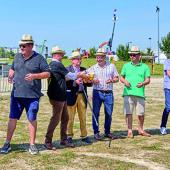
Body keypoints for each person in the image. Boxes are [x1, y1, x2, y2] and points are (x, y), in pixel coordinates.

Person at [0, 34, 50, 154]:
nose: (21, 48)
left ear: (30, 46)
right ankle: (7, 143)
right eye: (20, 45)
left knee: (32, 118)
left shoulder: (39, 58)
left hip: (32, 96)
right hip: (16, 94)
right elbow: (13, 68)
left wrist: (35, 76)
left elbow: (48, 73)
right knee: (12, 118)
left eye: (23, 45)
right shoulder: (17, 57)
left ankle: (32, 145)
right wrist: (11, 74)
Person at [44, 46, 87, 150]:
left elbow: (65, 77)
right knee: (56, 119)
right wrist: (81, 74)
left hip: (60, 95)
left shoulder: (54, 64)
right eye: (61, 54)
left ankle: (63, 140)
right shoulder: (56, 64)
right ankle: (48, 141)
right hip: (57, 95)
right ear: (56, 55)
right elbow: (71, 76)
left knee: (65, 118)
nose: (62, 56)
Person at [86, 48, 119, 140]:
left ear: (104, 57)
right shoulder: (93, 67)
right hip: (97, 92)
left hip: (108, 93)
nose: (98, 59)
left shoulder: (112, 66)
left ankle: (107, 132)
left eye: (100, 57)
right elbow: (86, 77)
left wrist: (112, 80)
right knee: (95, 113)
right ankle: (96, 132)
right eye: (97, 57)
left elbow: (117, 78)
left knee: (109, 113)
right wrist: (92, 80)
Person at [120, 46, 151, 138]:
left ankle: (140, 129)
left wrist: (143, 83)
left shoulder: (145, 67)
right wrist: (125, 81)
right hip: (128, 93)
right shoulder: (126, 65)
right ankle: (129, 130)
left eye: (134, 54)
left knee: (140, 113)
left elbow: (148, 80)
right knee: (128, 113)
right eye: (130, 55)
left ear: (139, 56)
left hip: (140, 93)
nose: (132, 56)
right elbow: (121, 77)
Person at [66, 50, 92, 144]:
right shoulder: (67, 69)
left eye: (79, 59)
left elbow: (89, 84)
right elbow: (64, 82)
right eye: (76, 59)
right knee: (70, 117)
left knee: (83, 116)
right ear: (72, 60)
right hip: (71, 95)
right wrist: (75, 81)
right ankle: (69, 136)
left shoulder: (83, 69)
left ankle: (84, 135)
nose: (78, 61)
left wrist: (86, 80)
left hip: (82, 95)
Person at [160, 59, 170, 135]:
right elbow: (168, 73)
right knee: (168, 107)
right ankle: (163, 126)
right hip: (168, 88)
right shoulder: (167, 61)